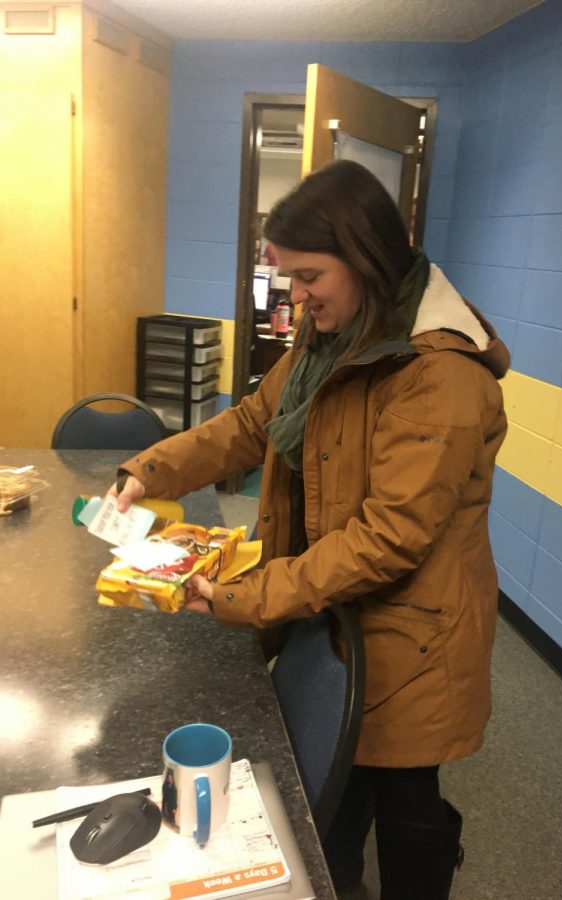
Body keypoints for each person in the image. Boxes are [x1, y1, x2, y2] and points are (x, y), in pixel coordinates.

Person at [110, 160, 509, 899]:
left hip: (411, 636)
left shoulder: (438, 376)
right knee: (335, 795)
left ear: (364, 259)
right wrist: (149, 471)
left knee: (400, 798)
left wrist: (243, 595)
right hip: (331, 608)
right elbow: (250, 424)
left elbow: (386, 538)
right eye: (285, 276)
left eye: (308, 276)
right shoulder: (330, 342)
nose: (293, 297)